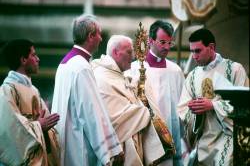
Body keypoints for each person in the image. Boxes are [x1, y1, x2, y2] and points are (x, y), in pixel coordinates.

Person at [51, 14, 123, 166]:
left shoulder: (65, 63)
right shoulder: (81, 67)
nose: (101, 39)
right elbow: (92, 112)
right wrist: (110, 151)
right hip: (78, 144)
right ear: (90, 36)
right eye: (99, 34)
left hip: (64, 139)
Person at [92, 35, 167, 165]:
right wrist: (144, 111)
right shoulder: (101, 77)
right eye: (129, 52)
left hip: (131, 142)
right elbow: (113, 117)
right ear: (116, 52)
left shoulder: (117, 74)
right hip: (117, 150)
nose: (133, 56)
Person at [177, 28, 249, 165]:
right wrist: (195, 111)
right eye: (192, 51)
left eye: (197, 51)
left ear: (211, 47)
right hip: (203, 140)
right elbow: (182, 109)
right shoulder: (192, 77)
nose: (194, 56)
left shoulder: (235, 70)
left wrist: (212, 105)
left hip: (228, 138)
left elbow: (244, 106)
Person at [126, 20, 185, 166]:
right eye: (162, 42)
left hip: (170, 136)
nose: (166, 47)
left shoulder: (175, 71)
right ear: (150, 41)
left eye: (170, 43)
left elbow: (182, 108)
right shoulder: (133, 70)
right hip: (144, 135)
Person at [0, 39, 60, 166]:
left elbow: (47, 124)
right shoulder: (7, 90)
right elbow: (9, 131)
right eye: (33, 55)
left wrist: (45, 127)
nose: (38, 59)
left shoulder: (34, 90)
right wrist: (39, 126)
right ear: (23, 60)